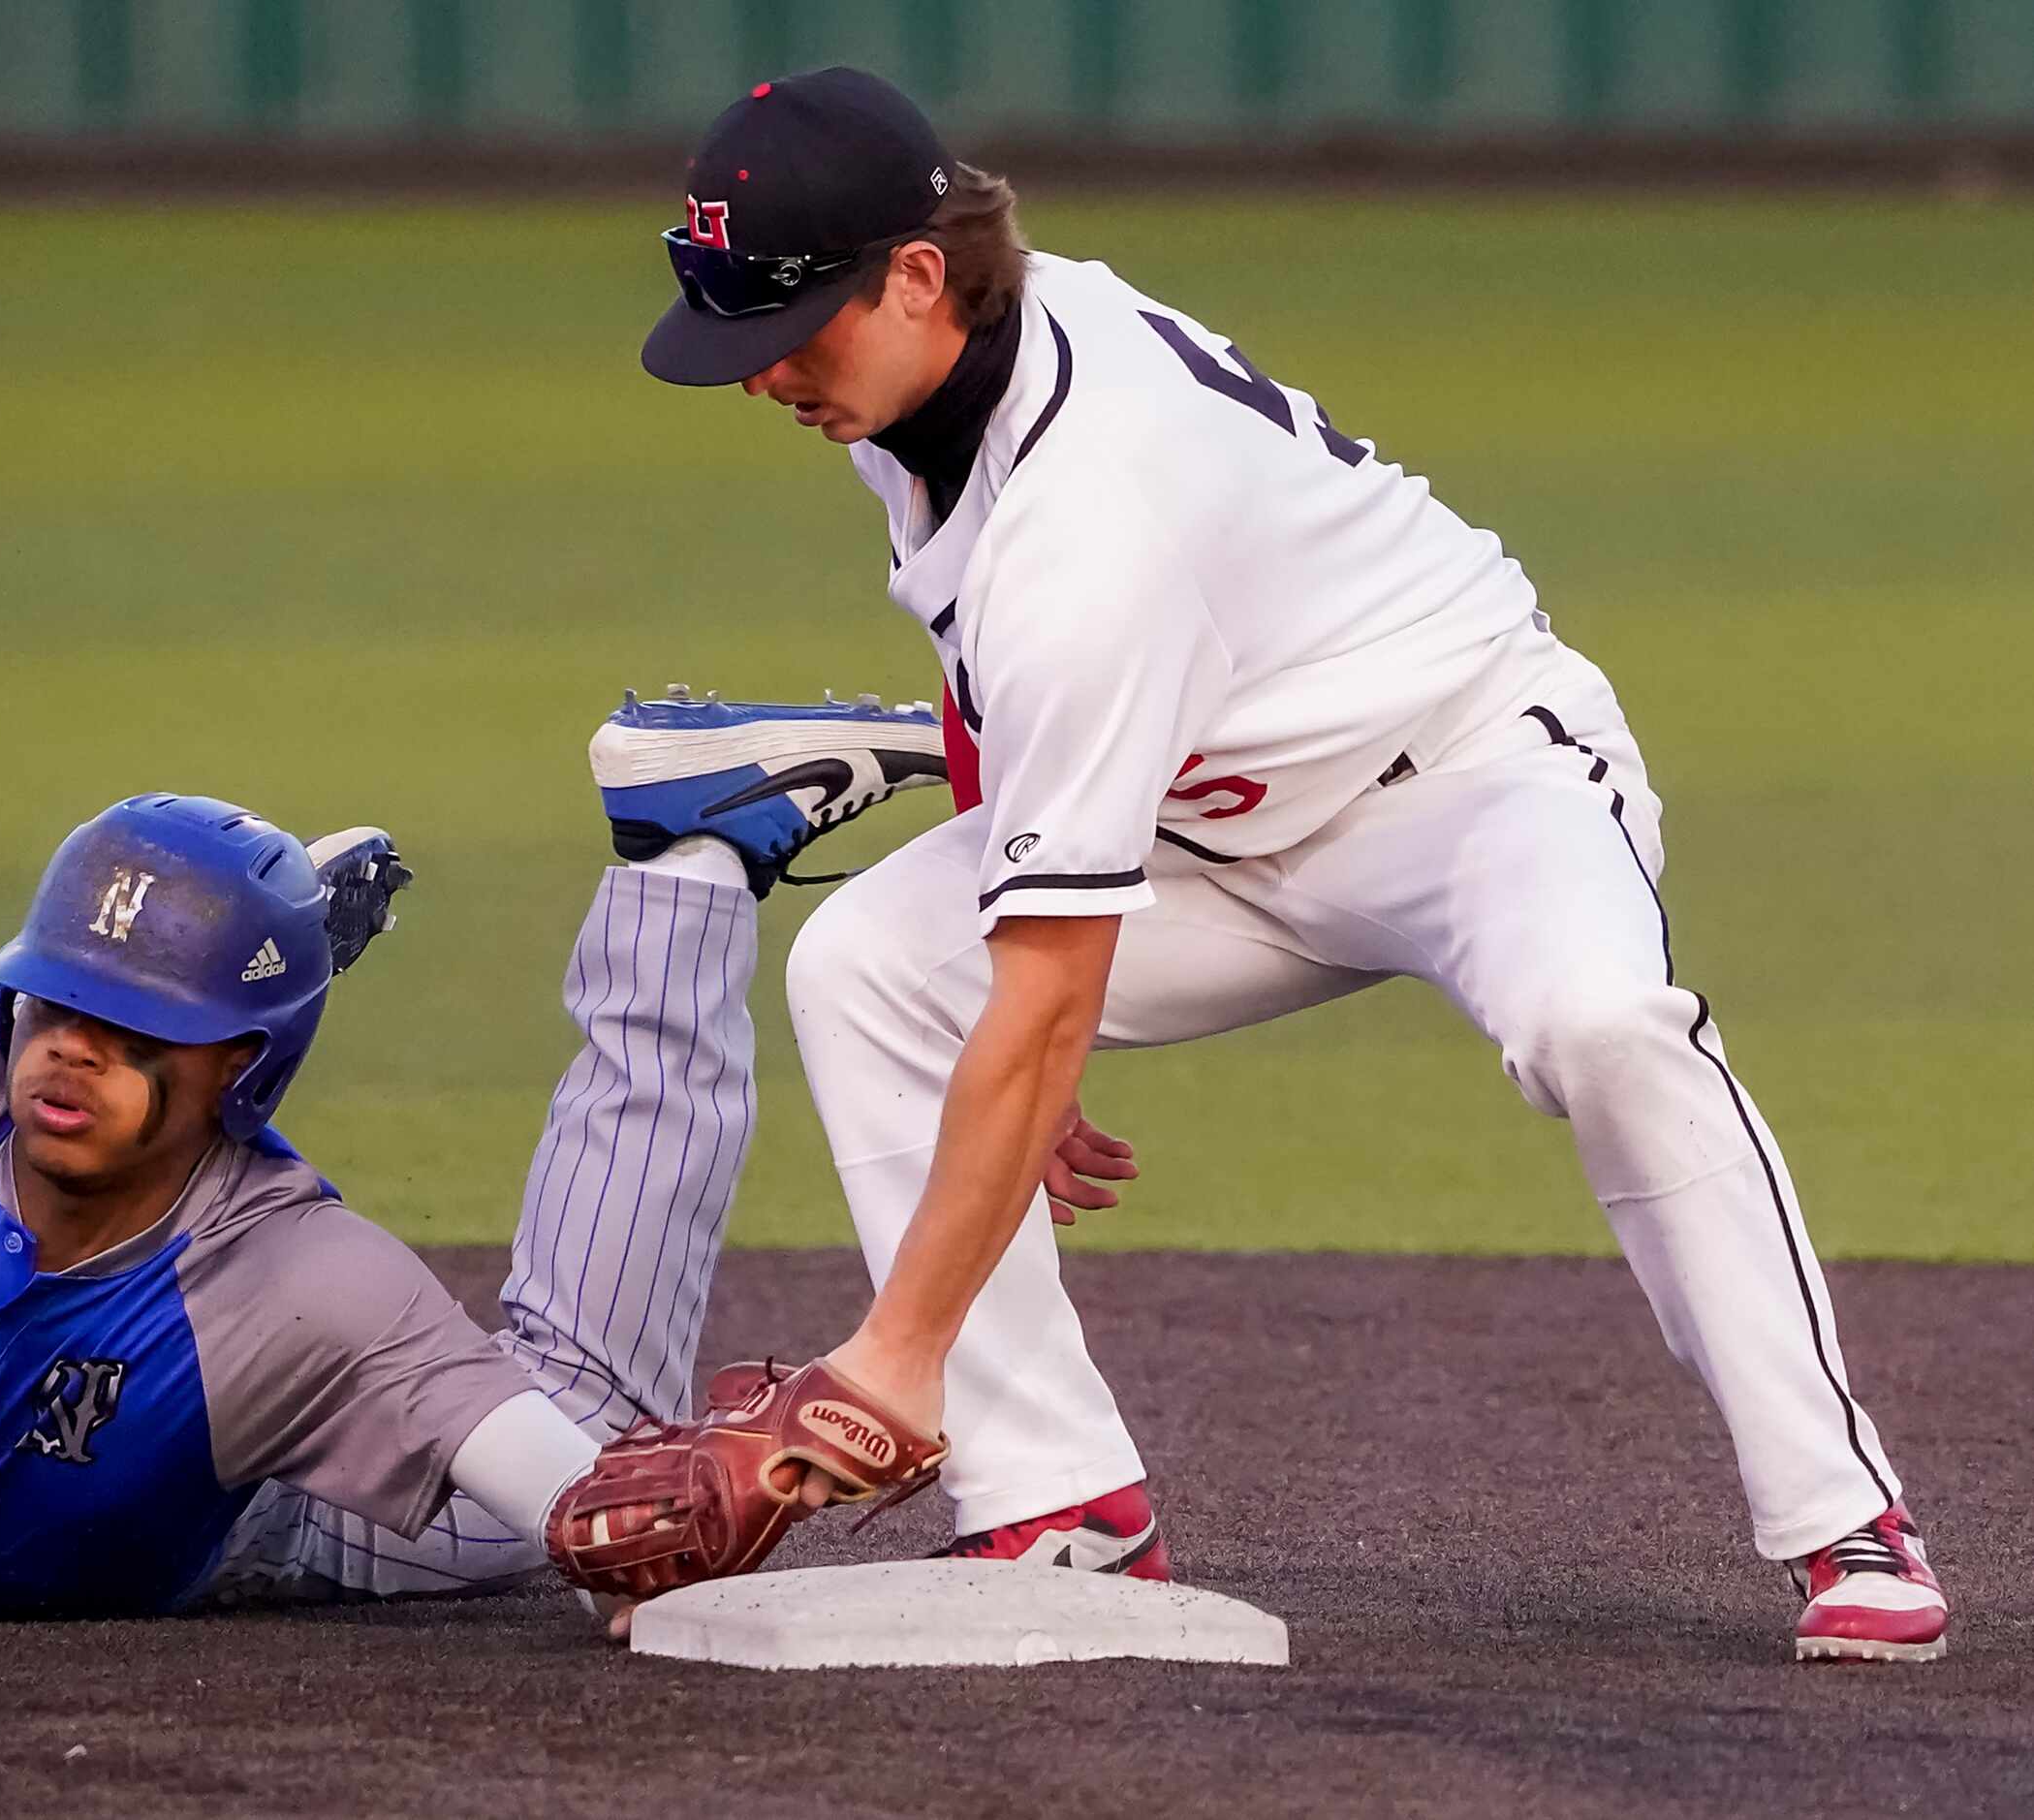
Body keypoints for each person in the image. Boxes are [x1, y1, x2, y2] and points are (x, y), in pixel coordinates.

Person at [626, 65, 1947, 1663]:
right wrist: (1008, 1057)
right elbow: (994, 688)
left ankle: (1841, 1516)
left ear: (913, 274)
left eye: (790, 331)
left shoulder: (1093, 508)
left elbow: (1048, 866)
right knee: (871, 968)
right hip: (1212, 829)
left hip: (1467, 779)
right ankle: (1061, 1502)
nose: (767, 376)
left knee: (1601, 1025)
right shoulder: (926, 376)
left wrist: (893, 1340)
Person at [0, 715, 961, 1645]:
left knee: (593, 1413)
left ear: (237, 1064)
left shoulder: (303, 1292)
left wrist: (649, 1539)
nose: (65, 1054)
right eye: (54, 1004)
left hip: (246, 1495)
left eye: (134, 1023)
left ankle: (685, 862)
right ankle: (212, 916)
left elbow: (582, 1510)